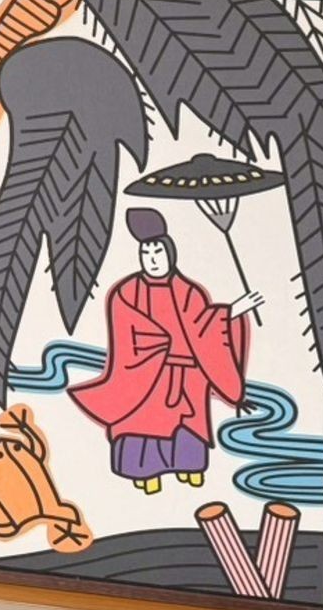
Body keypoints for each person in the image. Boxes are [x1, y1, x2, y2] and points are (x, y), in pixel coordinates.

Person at [68, 206, 261, 492]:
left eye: (157, 252)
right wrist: (159, 342)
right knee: (144, 422)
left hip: (186, 379)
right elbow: (126, 328)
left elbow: (204, 326)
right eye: (145, 253)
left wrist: (232, 311)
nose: (152, 259)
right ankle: (145, 472)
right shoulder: (126, 292)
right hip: (146, 375)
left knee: (186, 424)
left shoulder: (189, 291)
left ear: (170, 253)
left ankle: (187, 467)